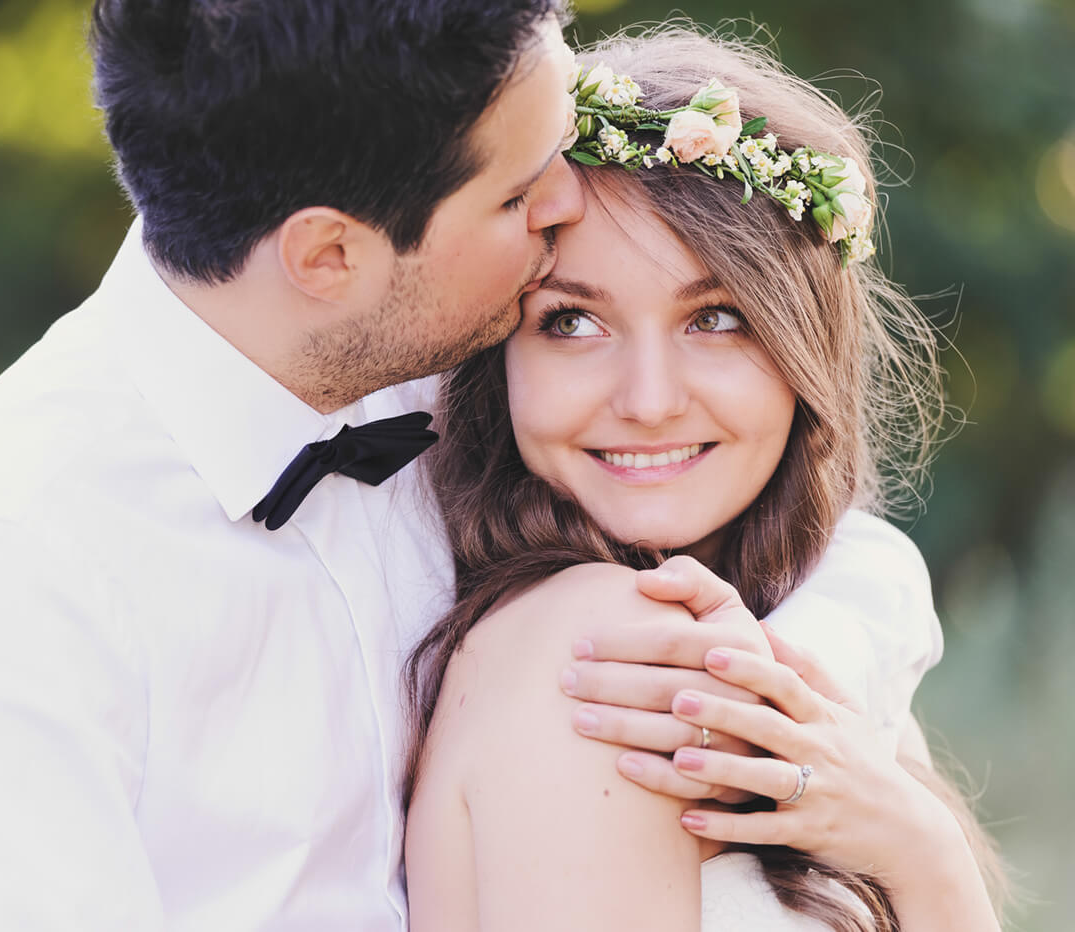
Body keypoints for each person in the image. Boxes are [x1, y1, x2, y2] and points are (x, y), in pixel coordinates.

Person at [0, 4, 971, 930]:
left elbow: (785, 513)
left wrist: (790, 677)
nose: (566, 201)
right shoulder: (5, 571)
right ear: (329, 253)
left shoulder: (441, 351)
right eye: (518, 190)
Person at [403, 26, 1003, 932]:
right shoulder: (605, 652)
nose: (648, 401)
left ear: (803, 345)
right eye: (570, 323)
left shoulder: (800, 643)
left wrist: (924, 845)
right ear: (497, 358)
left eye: (716, 318)